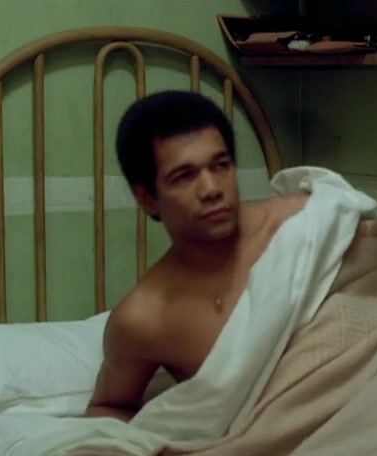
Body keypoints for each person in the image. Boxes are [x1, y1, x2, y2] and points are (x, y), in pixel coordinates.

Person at [85, 91, 308, 421]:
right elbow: (107, 407)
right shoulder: (144, 319)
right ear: (146, 198)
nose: (211, 189)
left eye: (221, 166)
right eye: (184, 176)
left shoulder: (303, 224)